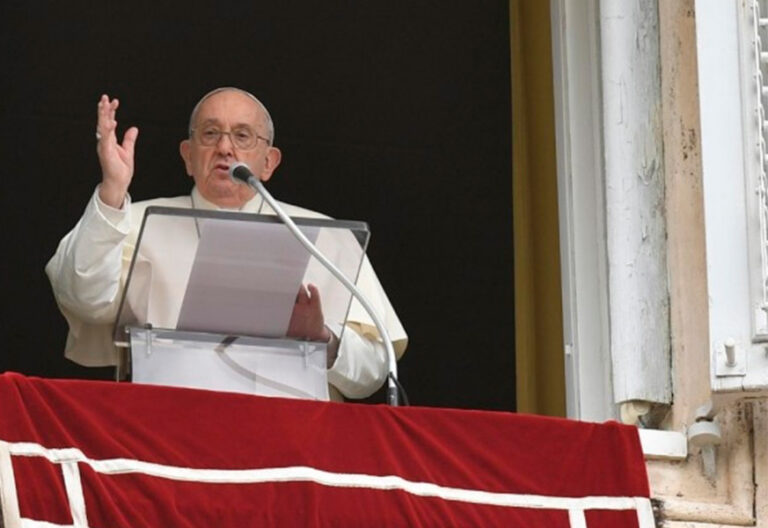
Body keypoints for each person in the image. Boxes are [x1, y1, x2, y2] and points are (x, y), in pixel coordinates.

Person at [46, 87, 407, 401]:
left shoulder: (326, 237)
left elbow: (375, 369)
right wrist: (112, 190)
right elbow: (83, 299)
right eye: (210, 133)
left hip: (293, 440)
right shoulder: (131, 221)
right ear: (187, 156)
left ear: (269, 162)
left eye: (242, 136)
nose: (224, 147)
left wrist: (323, 339)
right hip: (165, 432)